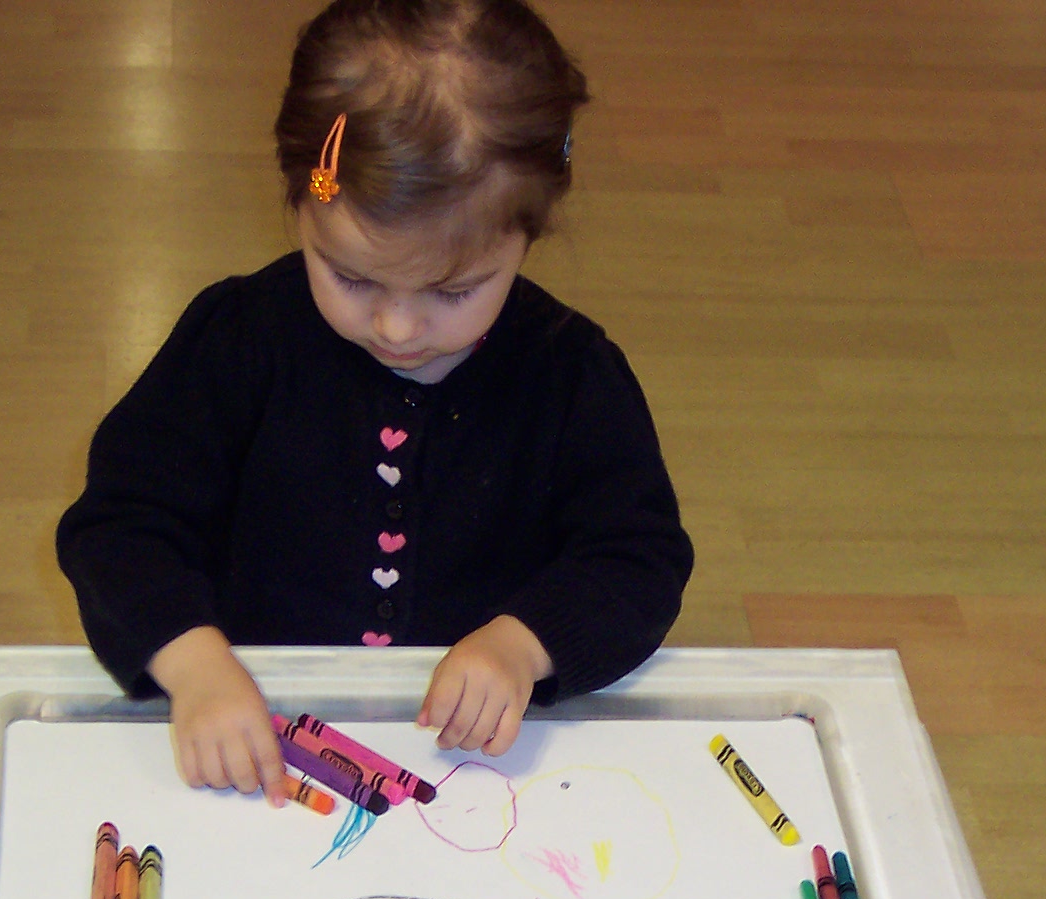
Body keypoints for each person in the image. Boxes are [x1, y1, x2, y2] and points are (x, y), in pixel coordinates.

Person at [57, 0, 692, 802]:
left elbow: (637, 560)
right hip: (255, 735)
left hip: (479, 768)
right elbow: (121, 524)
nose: (397, 326)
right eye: (351, 276)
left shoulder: (573, 376)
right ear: (300, 199)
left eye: (454, 289)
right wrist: (193, 666)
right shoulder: (238, 341)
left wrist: (524, 646)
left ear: (529, 232)